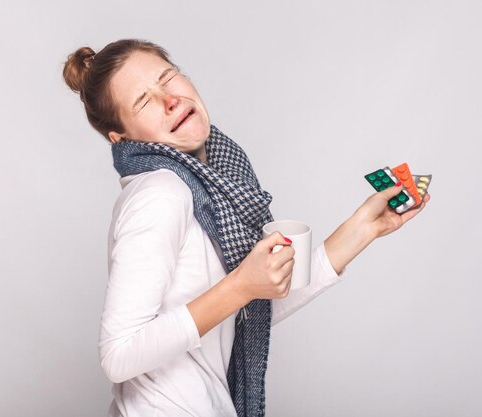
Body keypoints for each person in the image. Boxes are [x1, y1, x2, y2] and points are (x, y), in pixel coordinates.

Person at [62, 39, 430, 417]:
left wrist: (363, 228)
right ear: (121, 138)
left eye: (167, 77)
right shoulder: (160, 193)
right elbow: (119, 354)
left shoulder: (213, 178)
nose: (169, 99)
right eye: (143, 101)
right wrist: (241, 285)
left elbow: (252, 307)